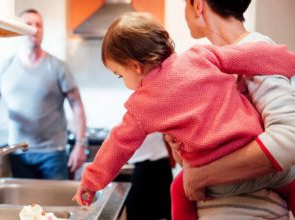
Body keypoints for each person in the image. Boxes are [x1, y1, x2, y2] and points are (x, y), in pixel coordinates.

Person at [71, 12, 295, 214]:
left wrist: (90, 182)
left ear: (135, 66)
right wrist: (290, 61)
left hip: (218, 179)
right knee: (292, 181)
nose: (124, 82)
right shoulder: (199, 55)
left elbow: (117, 145)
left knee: (179, 189)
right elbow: (253, 57)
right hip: (257, 156)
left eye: (120, 75)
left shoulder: (142, 105)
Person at [164, 0, 295, 209]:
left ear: (198, 5)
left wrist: (202, 175)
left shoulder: (256, 51)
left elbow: (290, 137)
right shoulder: (213, 61)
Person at [0, 9, 87, 179]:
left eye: (39, 25)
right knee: (24, 206)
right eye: (29, 24)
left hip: (52, 154)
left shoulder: (57, 67)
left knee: (55, 206)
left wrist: (80, 144)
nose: (35, 29)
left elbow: (77, 106)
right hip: (18, 153)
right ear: (19, 30)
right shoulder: (5, 66)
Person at [125, 132, 173, 220]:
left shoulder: (133, 121)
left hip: (147, 170)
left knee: (137, 210)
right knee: (165, 208)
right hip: (161, 167)